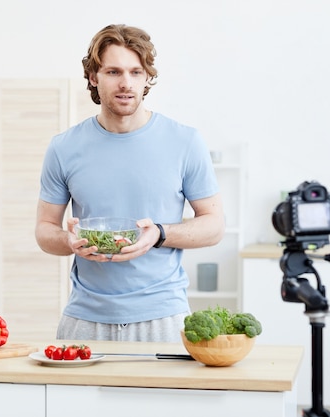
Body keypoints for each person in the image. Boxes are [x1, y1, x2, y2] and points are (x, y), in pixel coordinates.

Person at [35, 24, 225, 343]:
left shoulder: (185, 141)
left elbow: (214, 225)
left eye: (136, 72)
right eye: (113, 71)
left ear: (147, 77)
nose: (126, 83)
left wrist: (160, 234)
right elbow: (44, 230)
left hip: (164, 318)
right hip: (84, 319)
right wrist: (69, 242)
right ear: (94, 77)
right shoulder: (63, 147)